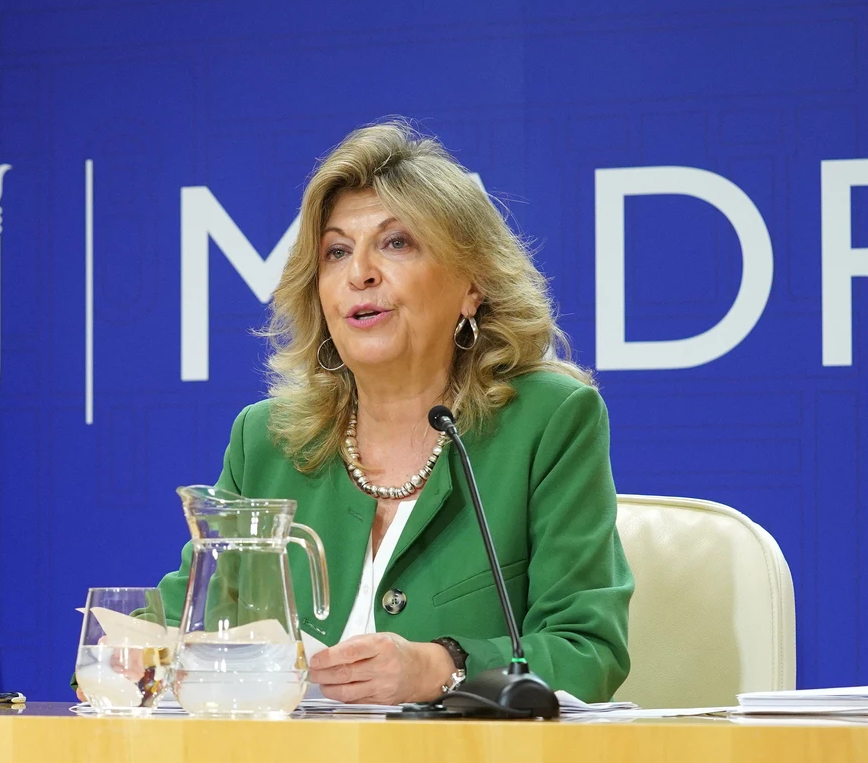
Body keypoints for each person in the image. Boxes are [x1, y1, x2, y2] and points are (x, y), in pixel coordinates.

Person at [157, 120, 631, 704]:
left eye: (396, 242)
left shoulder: (547, 420)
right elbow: (181, 627)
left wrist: (440, 666)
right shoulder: (268, 440)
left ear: (471, 287)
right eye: (336, 252)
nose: (360, 273)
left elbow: (589, 651)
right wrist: (126, 654)